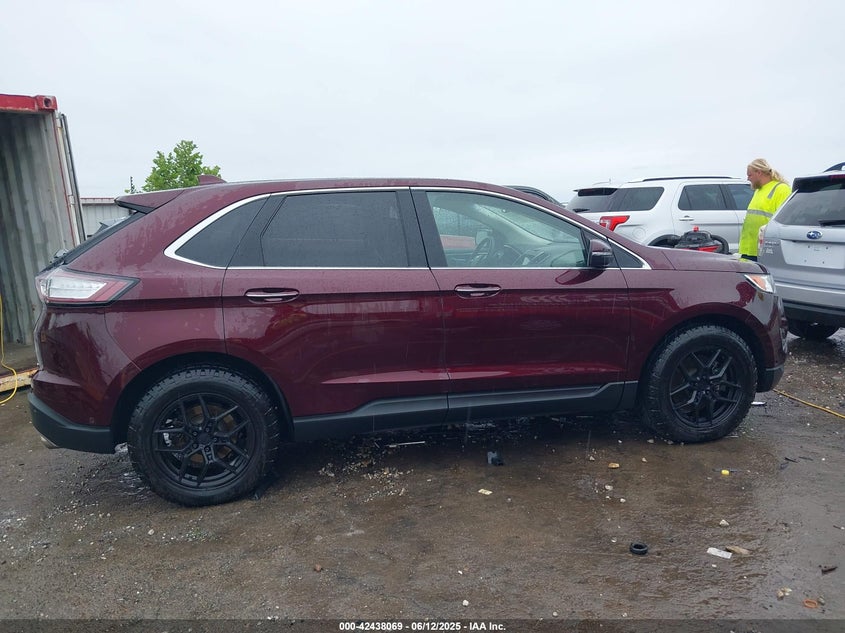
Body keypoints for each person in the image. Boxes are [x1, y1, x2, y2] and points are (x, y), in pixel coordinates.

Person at [738, 158, 791, 260]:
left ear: (759, 172)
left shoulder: (781, 189)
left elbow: (785, 218)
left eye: (750, 175)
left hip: (766, 248)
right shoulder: (759, 190)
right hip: (749, 247)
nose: (748, 178)